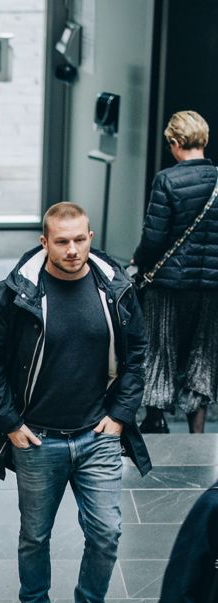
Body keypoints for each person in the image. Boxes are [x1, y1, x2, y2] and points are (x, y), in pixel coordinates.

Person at [0, 202, 151, 603]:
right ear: (45, 242)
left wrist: (119, 414)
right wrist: (11, 424)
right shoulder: (16, 293)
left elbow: (137, 352)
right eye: (62, 241)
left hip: (97, 433)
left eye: (80, 239)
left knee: (107, 531)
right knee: (35, 534)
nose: (73, 250)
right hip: (38, 438)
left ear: (90, 236)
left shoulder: (115, 288)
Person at [133, 110, 218, 434]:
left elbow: (154, 239)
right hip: (211, 286)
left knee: (160, 349)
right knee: (204, 354)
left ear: (177, 142)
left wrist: (138, 262)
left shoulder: (167, 180)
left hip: (169, 284)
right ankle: (197, 431)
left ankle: (155, 418)